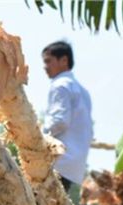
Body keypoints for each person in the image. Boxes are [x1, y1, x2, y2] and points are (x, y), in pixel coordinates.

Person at [42, 40, 93, 190]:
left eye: (48, 61)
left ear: (64, 60)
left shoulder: (60, 86)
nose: (45, 67)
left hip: (58, 161)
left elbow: (59, 121)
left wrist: (36, 138)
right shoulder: (82, 90)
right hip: (73, 165)